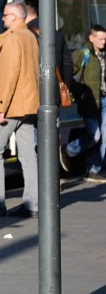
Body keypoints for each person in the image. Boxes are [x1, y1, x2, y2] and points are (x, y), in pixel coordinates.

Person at [0, 1, 40, 218]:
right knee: (28, 154)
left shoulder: (13, 39)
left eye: (4, 15)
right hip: (29, 105)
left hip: (12, 106)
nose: (2, 19)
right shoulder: (31, 37)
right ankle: (32, 204)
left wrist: (1, 107)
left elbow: (8, 76)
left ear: (14, 17)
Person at [62, 24, 106, 183]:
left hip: (104, 100)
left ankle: (93, 170)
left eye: (105, 38)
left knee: (105, 137)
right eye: (100, 38)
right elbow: (67, 73)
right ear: (91, 38)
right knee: (95, 136)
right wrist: (80, 91)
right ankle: (68, 150)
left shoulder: (104, 54)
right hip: (89, 101)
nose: (103, 41)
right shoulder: (83, 54)